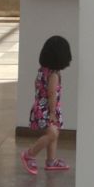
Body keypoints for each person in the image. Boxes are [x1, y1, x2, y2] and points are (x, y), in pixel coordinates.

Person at [20, 35, 72, 175]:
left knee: (53, 133)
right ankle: (29, 154)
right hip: (48, 109)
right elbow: (51, 94)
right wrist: (53, 113)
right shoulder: (54, 75)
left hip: (40, 107)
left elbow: (37, 86)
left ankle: (51, 161)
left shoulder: (42, 70)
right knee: (53, 133)